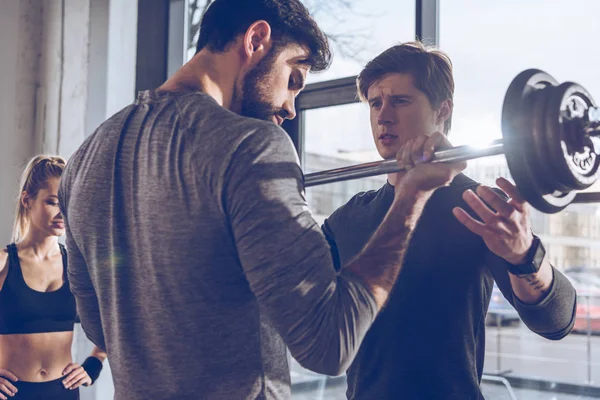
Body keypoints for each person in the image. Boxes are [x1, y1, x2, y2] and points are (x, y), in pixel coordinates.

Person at [57, 1, 467, 399]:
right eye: (293, 79)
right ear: (256, 39)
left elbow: (99, 326)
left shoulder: (85, 159)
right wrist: (414, 192)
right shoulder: (251, 145)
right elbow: (331, 345)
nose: (290, 108)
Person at [321, 42, 578, 400]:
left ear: (443, 109)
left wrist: (526, 255)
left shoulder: (480, 205)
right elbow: (313, 326)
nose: (383, 116)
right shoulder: (346, 219)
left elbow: (556, 322)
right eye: (375, 103)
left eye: (401, 100)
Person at [0, 155, 107, 400]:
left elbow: (113, 319)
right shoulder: (4, 263)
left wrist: (94, 364)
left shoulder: (78, 266)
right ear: (27, 199)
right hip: (12, 394)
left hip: (64, 392)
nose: (62, 213)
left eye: (68, 204)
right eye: (52, 202)